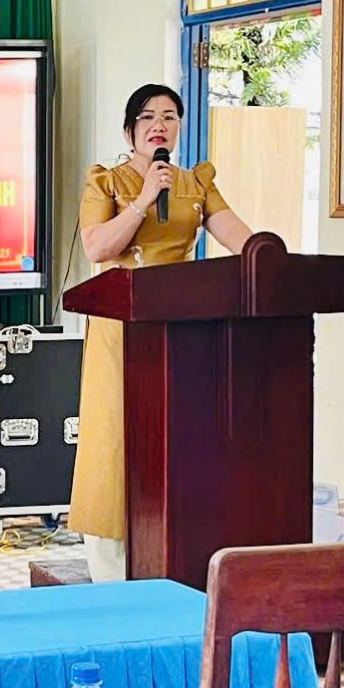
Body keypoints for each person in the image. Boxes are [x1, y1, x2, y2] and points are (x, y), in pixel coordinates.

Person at [68, 83, 252, 582]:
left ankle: (177, 560)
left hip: (181, 331)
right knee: (115, 439)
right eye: (148, 117)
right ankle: (112, 572)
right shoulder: (106, 182)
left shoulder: (196, 184)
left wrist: (270, 256)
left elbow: (241, 238)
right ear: (129, 130)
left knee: (180, 439)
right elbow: (97, 249)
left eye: (170, 117)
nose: (159, 126)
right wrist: (144, 199)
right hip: (120, 332)